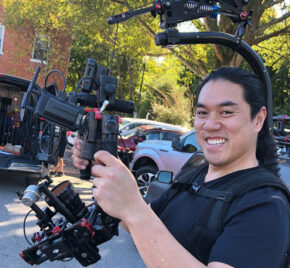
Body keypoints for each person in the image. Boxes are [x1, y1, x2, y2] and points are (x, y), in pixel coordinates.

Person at [72, 67, 290, 267]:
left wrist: (133, 209)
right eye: (202, 113)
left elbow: (138, 216)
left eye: (226, 112)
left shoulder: (266, 204)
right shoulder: (195, 174)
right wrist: (105, 171)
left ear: (258, 119)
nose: (210, 124)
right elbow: (139, 224)